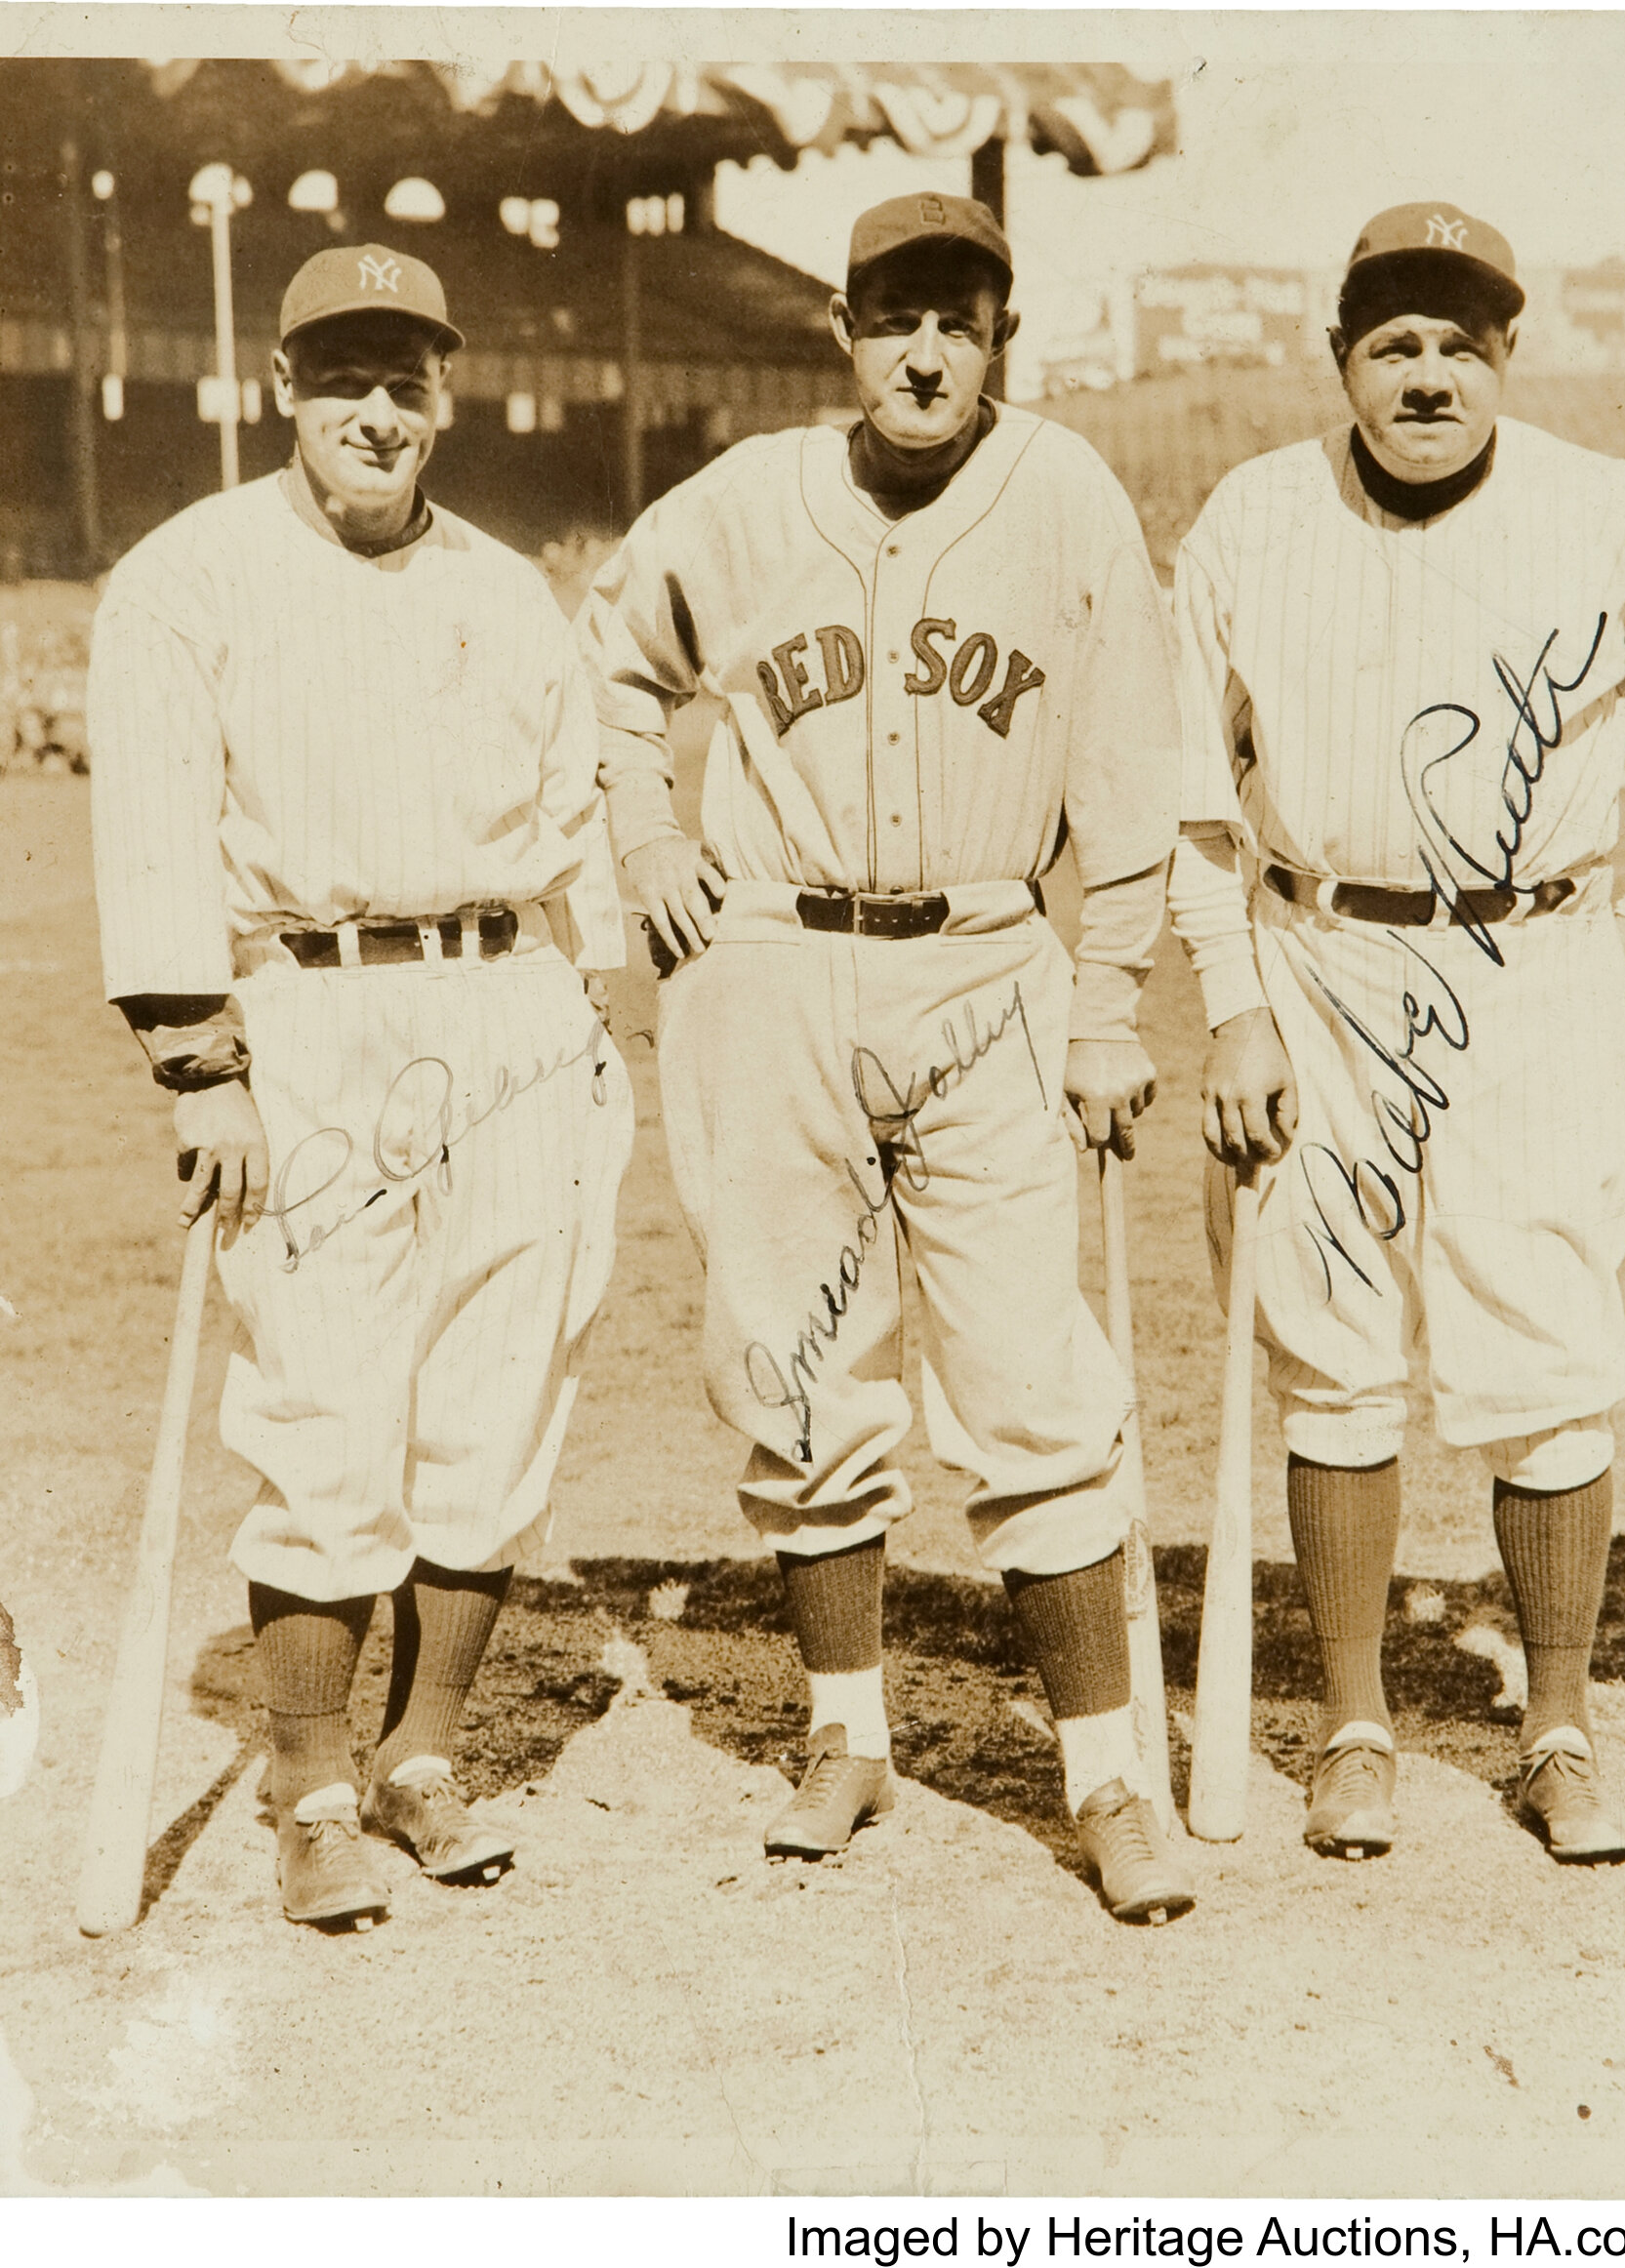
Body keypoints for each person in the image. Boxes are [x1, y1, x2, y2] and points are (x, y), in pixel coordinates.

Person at [576, 194, 1195, 1924]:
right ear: (843, 330)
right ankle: (846, 1734)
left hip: (989, 956)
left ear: (1005, 339)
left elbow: (1133, 778)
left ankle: (1108, 1778)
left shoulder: (1065, 490)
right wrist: (642, 842)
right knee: (792, 1360)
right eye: (894, 317)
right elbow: (617, 665)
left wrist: (1104, 1004)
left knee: (1029, 1379)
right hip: (768, 958)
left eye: (963, 320)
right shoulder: (746, 498)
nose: (927, 352)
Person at [1165, 202, 1625, 1865]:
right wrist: (1233, 1012)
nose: (1426, 377)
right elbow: (1193, 803)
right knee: (1333, 1364)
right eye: (1392, 345)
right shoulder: (1254, 517)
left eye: (1456, 346)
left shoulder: (1601, 509)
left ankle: (1556, 1723)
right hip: (1321, 962)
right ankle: (1354, 1722)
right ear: (1341, 359)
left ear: (1508, 355)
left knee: (1549, 1356)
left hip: (1537, 964)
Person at [88, 245, 635, 1928]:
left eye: (406, 379)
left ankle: (423, 1753)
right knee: (328, 1411)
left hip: (518, 1008)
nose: (376, 411)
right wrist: (202, 1070)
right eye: (344, 377)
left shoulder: (505, 585)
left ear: (446, 395)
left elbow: (580, 809)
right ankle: (311, 1778)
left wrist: (593, 1009)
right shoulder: (186, 579)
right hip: (312, 1018)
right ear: (282, 389)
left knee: (496, 1402)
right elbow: (158, 831)